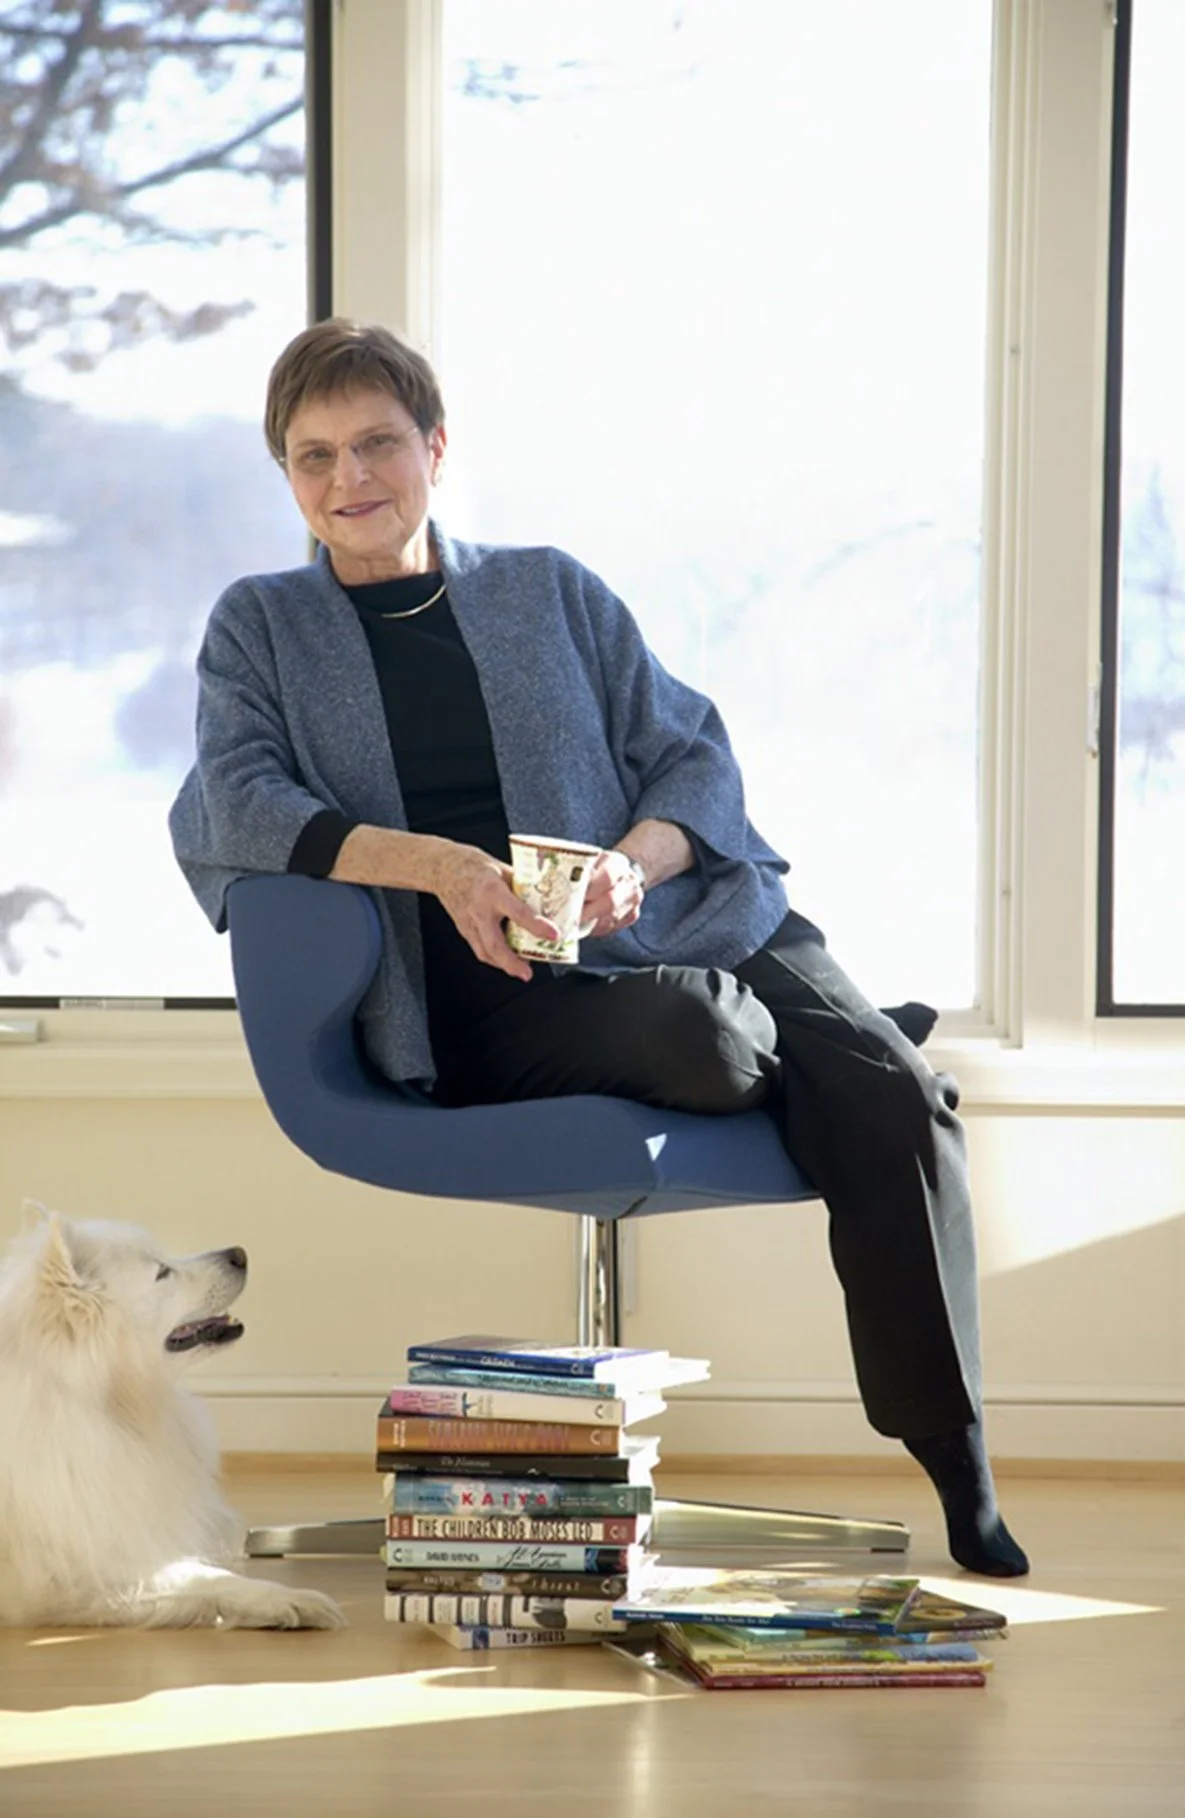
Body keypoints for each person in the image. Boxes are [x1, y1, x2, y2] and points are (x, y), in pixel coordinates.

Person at [169, 318, 1028, 1579]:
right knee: (711, 1036)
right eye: (313, 457)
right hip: (493, 1001)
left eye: (376, 444)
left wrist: (637, 859)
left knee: (893, 1101)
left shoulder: (547, 587)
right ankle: (843, 1042)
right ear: (288, 477)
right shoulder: (261, 625)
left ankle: (957, 1461)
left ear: (435, 448)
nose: (349, 479)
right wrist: (444, 867)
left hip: (690, 920)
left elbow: (693, 753)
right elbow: (232, 800)